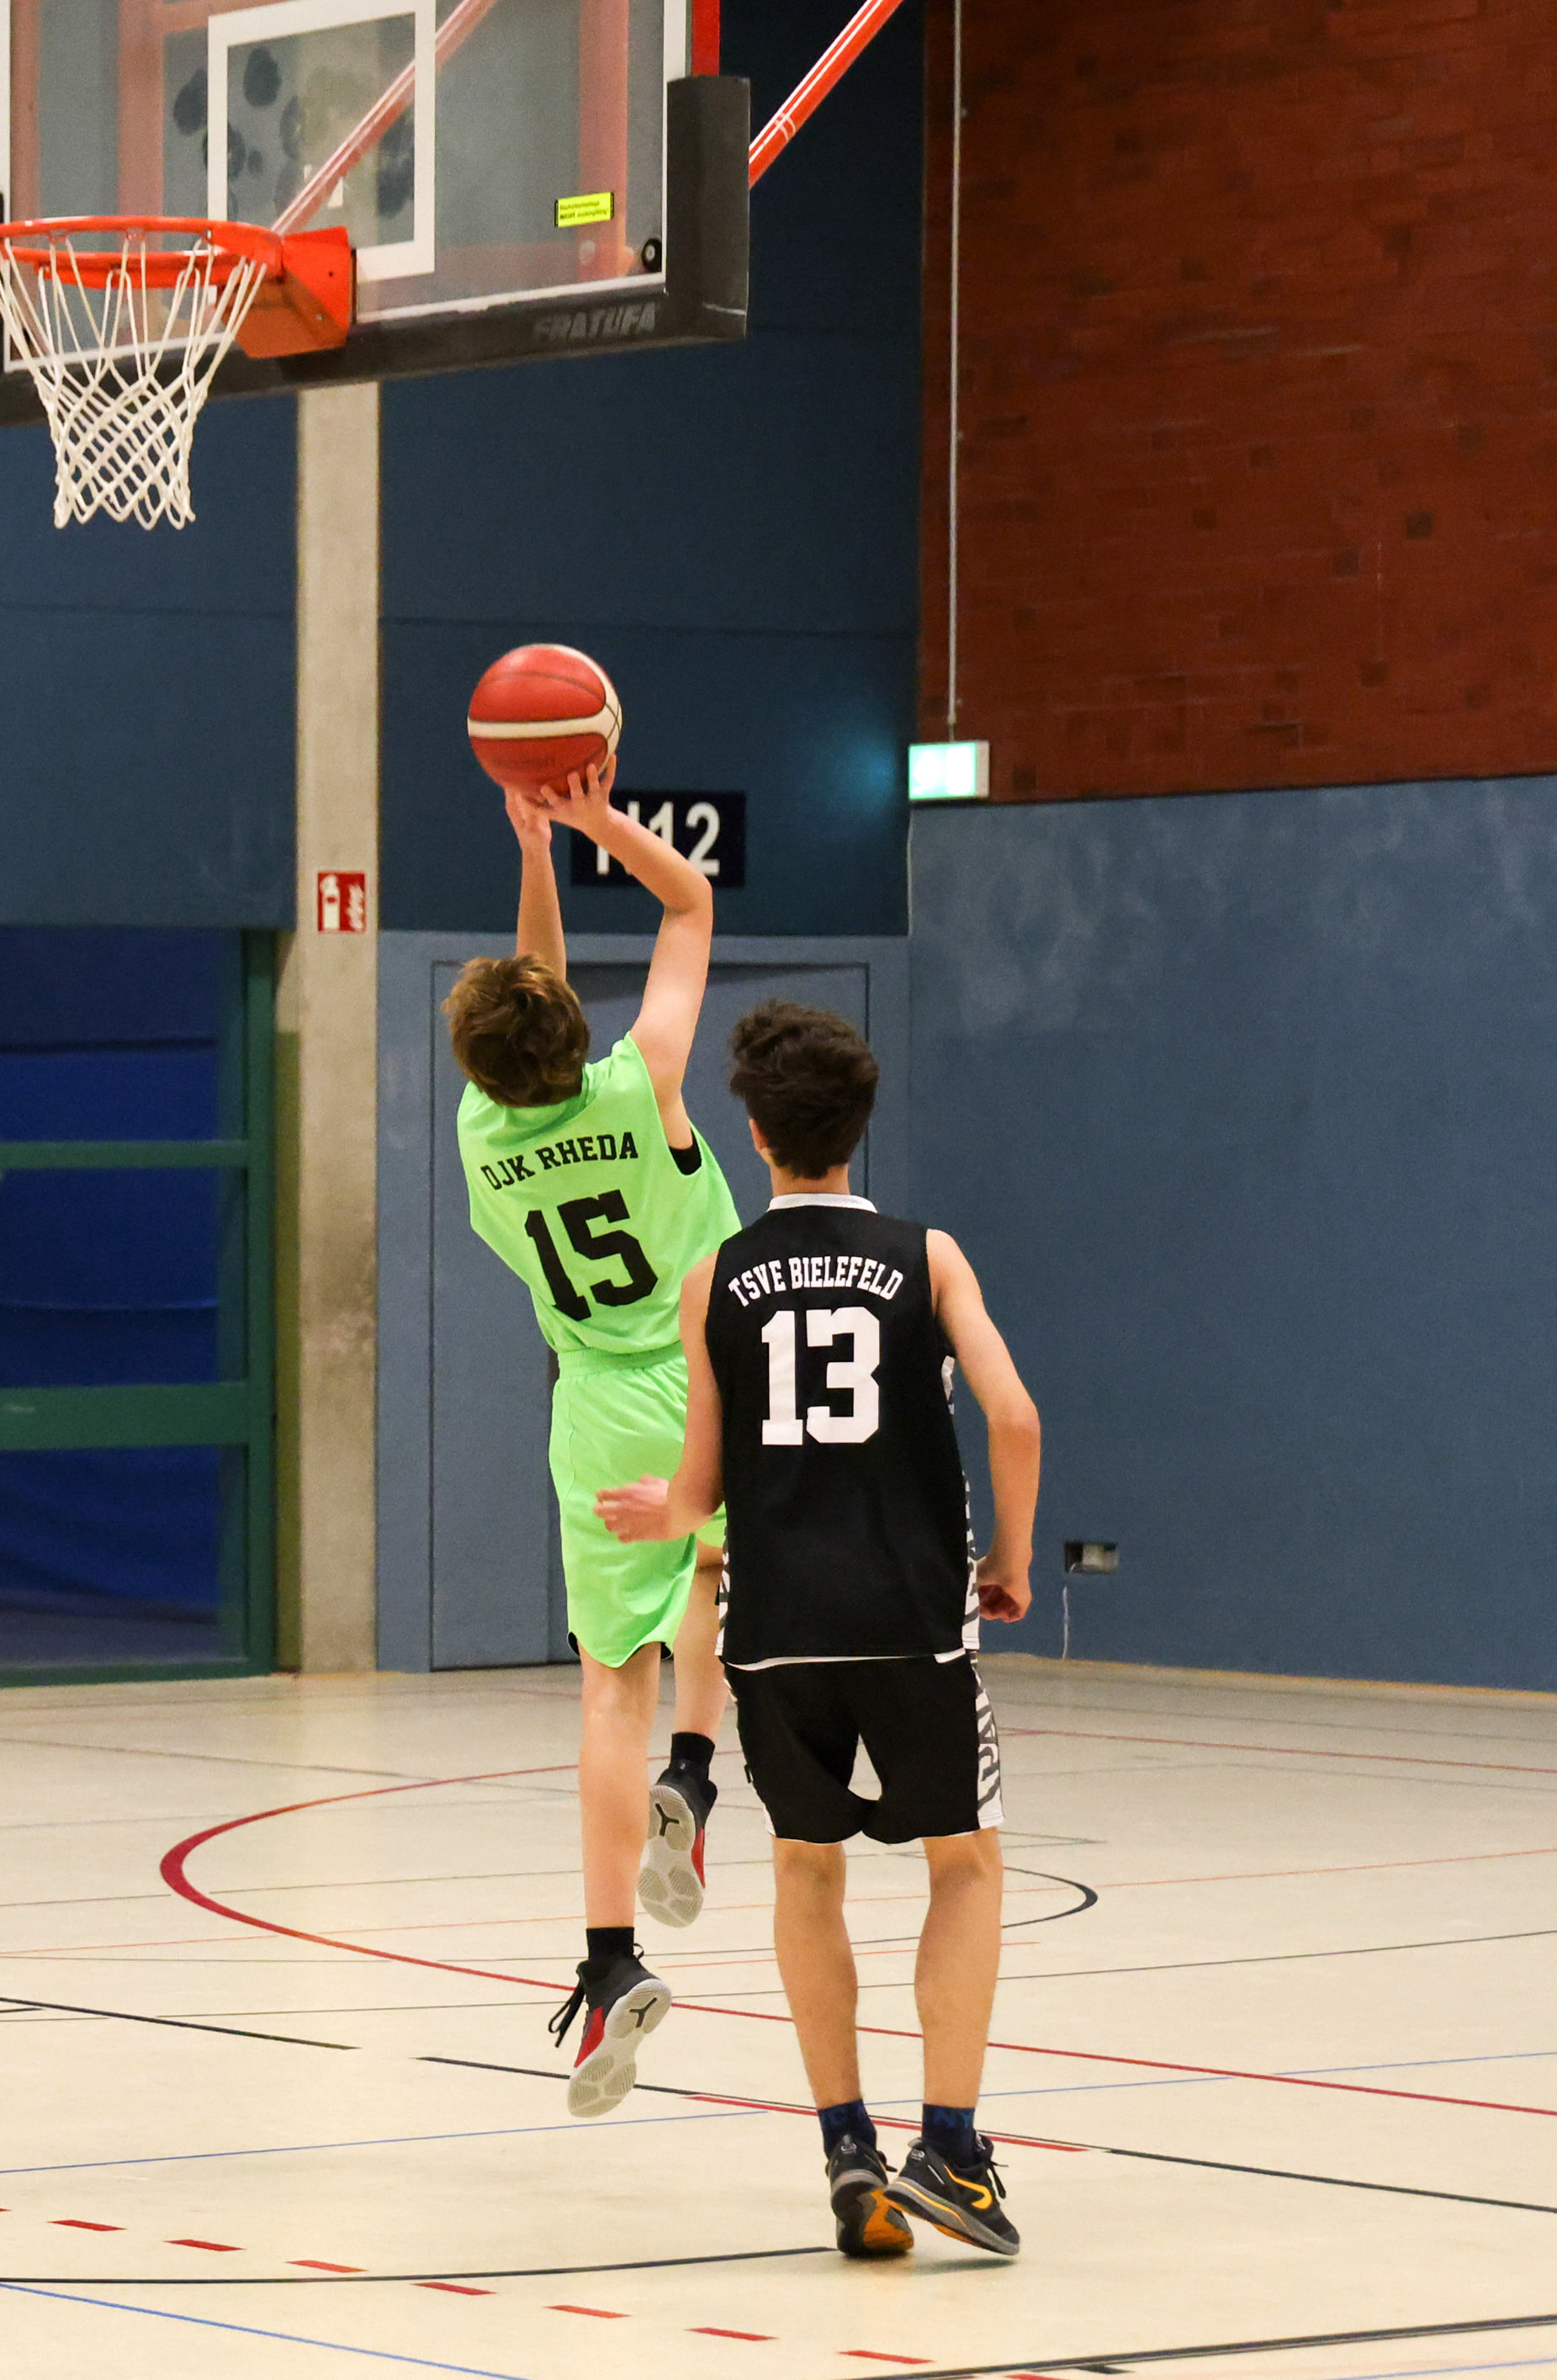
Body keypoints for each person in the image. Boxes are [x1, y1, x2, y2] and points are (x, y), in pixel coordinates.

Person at [599, 1002, 1043, 2261]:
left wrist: (660, 1510)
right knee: (964, 1864)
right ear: (861, 1124)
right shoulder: (928, 1256)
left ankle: (848, 2148)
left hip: (776, 1626)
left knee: (806, 1869)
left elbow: (699, 1492)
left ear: (753, 1133)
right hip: (911, 1621)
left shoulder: (714, 1279)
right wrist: (1008, 1559)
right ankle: (947, 2147)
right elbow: (1013, 1416)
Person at [442, 759, 739, 2121]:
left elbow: (533, 997)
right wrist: (586, 820)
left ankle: (610, 1956)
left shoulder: (480, 1134)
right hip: (714, 1367)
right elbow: (689, 904)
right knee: (712, 1572)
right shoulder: (645, 1079)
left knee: (604, 1683)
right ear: (576, 1034)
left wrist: (528, 857)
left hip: (599, 1400)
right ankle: (698, 1774)